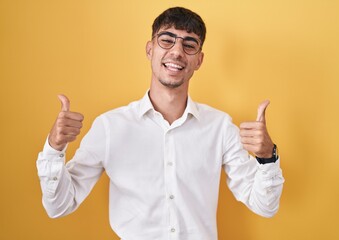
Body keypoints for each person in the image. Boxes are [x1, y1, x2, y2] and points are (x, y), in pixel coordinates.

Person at [37, 6, 284, 240]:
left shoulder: (219, 127)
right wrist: (54, 148)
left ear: (199, 60)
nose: (177, 52)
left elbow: (264, 206)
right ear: (149, 50)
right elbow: (58, 206)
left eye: (189, 45)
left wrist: (266, 157)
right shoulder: (110, 127)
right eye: (167, 40)